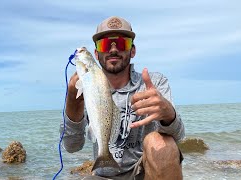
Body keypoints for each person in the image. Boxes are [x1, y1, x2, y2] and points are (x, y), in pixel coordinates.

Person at [60, 16, 185, 180]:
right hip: (102, 176)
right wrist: (72, 103)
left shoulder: (155, 83)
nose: (113, 50)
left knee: (162, 143)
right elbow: (72, 146)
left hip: (144, 172)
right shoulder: (85, 87)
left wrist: (169, 115)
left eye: (121, 43)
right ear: (96, 54)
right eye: (105, 44)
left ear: (132, 50)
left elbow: (178, 137)